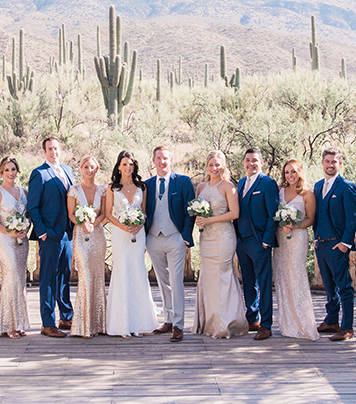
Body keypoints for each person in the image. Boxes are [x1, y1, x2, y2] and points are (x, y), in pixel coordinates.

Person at [192, 150, 249, 339]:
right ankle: (209, 323)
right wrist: (199, 220)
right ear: (206, 166)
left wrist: (210, 220)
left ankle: (226, 323)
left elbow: (234, 213)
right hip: (206, 238)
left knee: (223, 276)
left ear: (223, 166)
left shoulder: (228, 186)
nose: (214, 168)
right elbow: (197, 212)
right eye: (211, 164)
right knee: (208, 278)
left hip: (223, 236)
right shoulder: (201, 187)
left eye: (218, 164)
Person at [104, 150, 159, 337]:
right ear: (119, 166)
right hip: (120, 235)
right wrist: (123, 226)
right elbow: (108, 213)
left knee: (137, 271)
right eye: (124, 164)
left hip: (138, 234)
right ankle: (122, 324)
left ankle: (140, 322)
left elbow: (144, 212)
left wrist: (138, 223)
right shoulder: (112, 188)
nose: (128, 167)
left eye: (131, 164)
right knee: (122, 272)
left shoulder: (142, 187)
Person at [144, 145, 195, 342]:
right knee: (162, 281)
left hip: (175, 237)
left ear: (171, 160)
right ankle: (167, 320)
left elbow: (190, 210)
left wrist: (185, 237)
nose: (162, 162)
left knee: (176, 281)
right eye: (158, 158)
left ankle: (179, 325)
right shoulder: (147, 185)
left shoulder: (183, 182)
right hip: (154, 237)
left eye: (165, 158)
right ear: (154, 160)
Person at [27, 136, 75, 338]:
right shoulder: (39, 174)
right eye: (49, 149)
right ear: (44, 152)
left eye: (56, 148)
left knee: (65, 275)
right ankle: (47, 322)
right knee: (47, 278)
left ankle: (66, 315)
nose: (53, 152)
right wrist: (42, 232)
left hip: (67, 233)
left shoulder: (68, 170)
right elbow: (32, 206)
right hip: (49, 235)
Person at [313, 146, 356, 342]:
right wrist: (315, 238)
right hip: (321, 244)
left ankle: (347, 327)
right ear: (322, 163)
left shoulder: (346, 186)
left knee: (344, 286)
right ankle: (331, 320)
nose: (330, 165)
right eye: (327, 161)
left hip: (337, 245)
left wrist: (345, 244)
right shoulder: (317, 186)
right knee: (329, 286)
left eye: (334, 161)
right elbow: (316, 214)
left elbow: (353, 217)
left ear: (340, 163)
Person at [0, 156, 31, 339]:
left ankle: (19, 323)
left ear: (17, 171)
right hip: (5, 241)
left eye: (13, 169)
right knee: (10, 279)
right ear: (1, 172)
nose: (10, 173)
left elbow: (28, 215)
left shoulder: (24, 191)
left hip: (22, 241)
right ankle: (8, 324)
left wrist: (25, 228)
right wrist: (8, 231)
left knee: (20, 280)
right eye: (7, 170)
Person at [235, 147, 279, 341]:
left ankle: (266, 324)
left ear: (261, 163)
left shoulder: (268, 183)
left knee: (263, 283)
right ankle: (251, 318)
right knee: (248, 282)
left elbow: (273, 214)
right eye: (247, 160)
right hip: (242, 241)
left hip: (259, 241)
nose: (250, 163)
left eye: (254, 160)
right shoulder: (241, 182)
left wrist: (266, 241)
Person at [272, 159, 319, 340]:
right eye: (286, 172)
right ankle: (288, 325)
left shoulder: (307, 194)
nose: (290, 175)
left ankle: (304, 323)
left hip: (297, 239)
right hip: (281, 239)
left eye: (293, 172)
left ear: (300, 173)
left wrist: (295, 225)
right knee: (282, 277)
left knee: (296, 276)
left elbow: (310, 219)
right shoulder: (279, 191)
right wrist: (282, 223)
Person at [65, 156, 107, 338]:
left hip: (98, 236)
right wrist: (82, 223)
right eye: (86, 167)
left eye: (93, 167)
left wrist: (94, 223)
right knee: (85, 275)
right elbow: (71, 214)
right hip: (81, 236)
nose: (89, 170)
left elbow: (105, 213)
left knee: (98, 276)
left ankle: (100, 324)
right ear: (80, 169)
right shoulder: (73, 190)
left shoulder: (103, 190)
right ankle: (84, 325)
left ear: (97, 169)